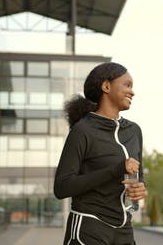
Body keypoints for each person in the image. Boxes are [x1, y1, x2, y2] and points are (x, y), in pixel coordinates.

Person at [54, 62, 147, 245]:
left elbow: (138, 176)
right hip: (89, 227)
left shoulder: (134, 131)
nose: (132, 92)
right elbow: (62, 187)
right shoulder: (83, 130)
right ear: (106, 86)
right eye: (127, 85)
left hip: (124, 228)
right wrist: (117, 169)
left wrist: (140, 188)